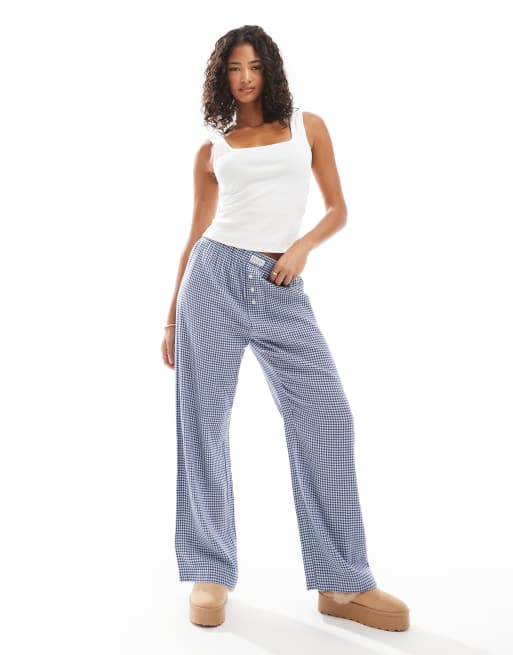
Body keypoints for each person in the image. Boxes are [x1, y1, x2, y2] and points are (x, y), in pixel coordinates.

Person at [161, 25, 410, 631]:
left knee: (328, 413)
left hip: (281, 282)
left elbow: (338, 209)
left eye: (254, 66)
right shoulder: (213, 149)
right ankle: (209, 571)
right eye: (233, 69)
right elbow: (196, 235)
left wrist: (300, 249)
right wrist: (170, 315)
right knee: (203, 423)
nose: (245, 78)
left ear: (270, 69)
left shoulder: (307, 127)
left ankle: (341, 582)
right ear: (222, 78)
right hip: (212, 278)